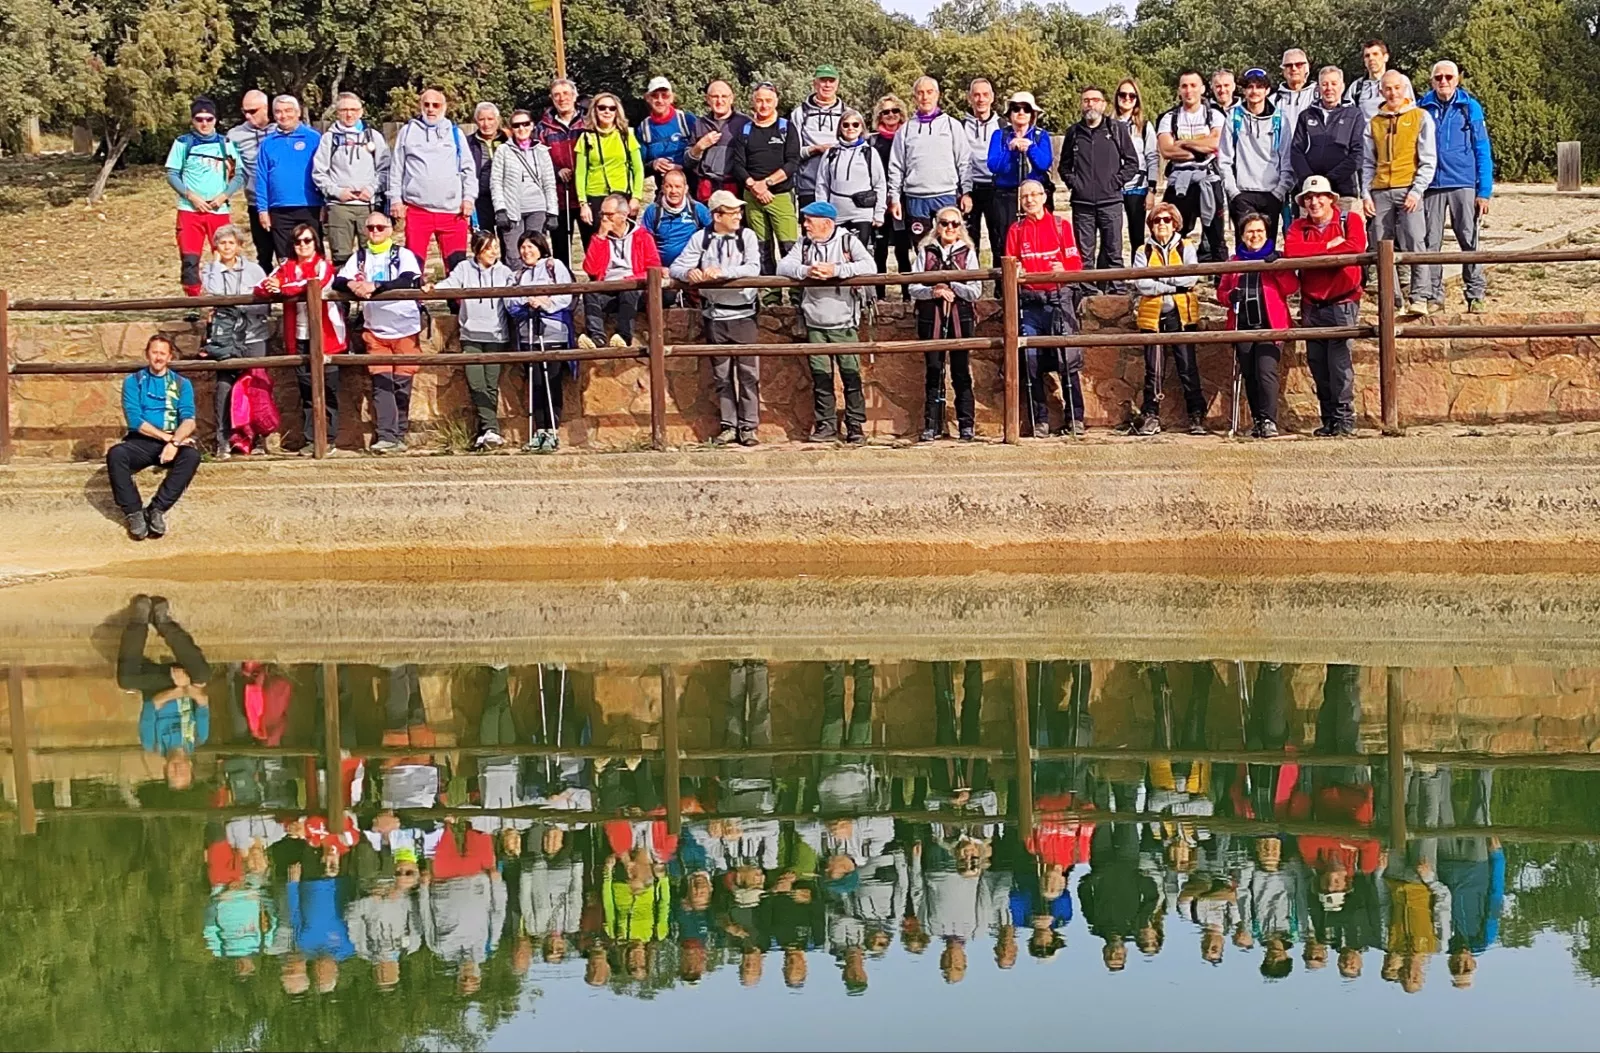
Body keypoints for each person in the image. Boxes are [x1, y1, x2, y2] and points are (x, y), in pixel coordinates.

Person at [777, 200, 877, 443]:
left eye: (809, 221)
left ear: (827, 223)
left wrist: (836, 270)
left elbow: (870, 266)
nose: (805, 225)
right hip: (815, 322)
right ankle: (826, 426)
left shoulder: (847, 241)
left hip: (844, 322)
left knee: (851, 375)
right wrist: (807, 271)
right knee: (821, 377)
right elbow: (783, 266)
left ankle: (855, 426)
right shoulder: (804, 244)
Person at [670, 190, 764, 445]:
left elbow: (753, 268)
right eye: (732, 212)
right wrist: (691, 273)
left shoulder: (748, 236)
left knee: (748, 374)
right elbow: (677, 267)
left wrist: (721, 273)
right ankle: (729, 425)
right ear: (716, 215)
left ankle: (749, 427)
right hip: (714, 315)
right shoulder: (700, 239)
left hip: (744, 315)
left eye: (738, 211)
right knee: (722, 375)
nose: (738, 216)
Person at [333, 211, 424, 454]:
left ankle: (400, 434)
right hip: (376, 330)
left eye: (380, 228)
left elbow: (409, 280)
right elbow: (338, 280)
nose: (374, 232)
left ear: (390, 230)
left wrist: (377, 286)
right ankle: (386, 436)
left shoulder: (403, 255)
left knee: (401, 385)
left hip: (405, 327)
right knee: (381, 384)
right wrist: (352, 284)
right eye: (370, 228)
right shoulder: (360, 257)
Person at [1285, 174, 1367, 435]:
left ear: (1331, 199)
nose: (1314, 201)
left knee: (1340, 364)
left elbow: (1355, 248)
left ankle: (1344, 420)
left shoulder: (1349, 220)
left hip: (1342, 301)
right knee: (1318, 364)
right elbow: (1291, 251)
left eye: (1319, 196)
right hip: (1312, 303)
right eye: (1309, 197)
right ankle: (1328, 419)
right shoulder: (1298, 226)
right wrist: (1330, 247)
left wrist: (1316, 250)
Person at [257, 224, 348, 452]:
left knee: (328, 390)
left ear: (315, 242)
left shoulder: (323, 266)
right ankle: (310, 439)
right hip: (298, 336)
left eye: (307, 240)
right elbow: (261, 287)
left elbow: (312, 285)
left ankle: (329, 438)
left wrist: (282, 287)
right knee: (306, 390)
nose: (303, 245)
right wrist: (274, 287)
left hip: (327, 337)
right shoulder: (286, 267)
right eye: (298, 242)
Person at [1005, 179, 1085, 437]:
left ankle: (1075, 418)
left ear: (1044, 196)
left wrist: (1065, 269)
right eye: (1024, 196)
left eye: (1034, 195)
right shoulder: (1015, 230)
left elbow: (1076, 263)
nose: (1029, 200)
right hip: (1030, 303)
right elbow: (1009, 266)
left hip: (1058, 299)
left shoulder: (1062, 226)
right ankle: (1040, 419)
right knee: (1029, 360)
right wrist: (1017, 272)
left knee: (1067, 358)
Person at [1417, 60, 1494, 314]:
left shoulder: (1469, 107)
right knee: (1431, 244)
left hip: (1463, 183)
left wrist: (1484, 191)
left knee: (1469, 240)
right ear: (1431, 81)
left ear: (1457, 79)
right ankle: (1434, 296)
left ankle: (1475, 294)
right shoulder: (1421, 107)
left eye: (1448, 77)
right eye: (1438, 77)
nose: (1443, 82)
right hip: (1432, 186)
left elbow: (1482, 149)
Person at [429, 228, 516, 449]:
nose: (493, 252)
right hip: (470, 335)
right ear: (478, 250)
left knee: (490, 384)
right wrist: (433, 288)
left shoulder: (504, 272)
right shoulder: (464, 268)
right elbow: (450, 283)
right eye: (489, 247)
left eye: (496, 247)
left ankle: (490, 430)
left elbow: (515, 292)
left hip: (496, 336)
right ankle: (489, 429)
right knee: (476, 382)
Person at [108, 336, 202, 540]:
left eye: (162, 353)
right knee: (116, 454)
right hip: (141, 440)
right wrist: (167, 439)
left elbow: (189, 420)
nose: (158, 357)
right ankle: (133, 512)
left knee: (192, 457)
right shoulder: (133, 381)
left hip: (173, 442)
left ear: (169, 357)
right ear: (147, 354)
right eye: (154, 352)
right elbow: (135, 420)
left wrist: (175, 442)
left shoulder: (181, 383)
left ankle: (157, 509)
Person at [1363, 69, 1437, 316]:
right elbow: (1367, 162)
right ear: (1381, 91)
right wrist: (1366, 193)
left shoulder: (1420, 117)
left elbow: (1428, 159)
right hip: (1381, 189)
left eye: (1397, 87)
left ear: (1405, 89)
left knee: (1416, 241)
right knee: (1381, 245)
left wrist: (1417, 190)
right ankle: (1393, 301)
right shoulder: (1374, 123)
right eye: (1387, 88)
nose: (1392, 92)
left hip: (1408, 188)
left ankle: (1420, 297)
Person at [1217, 213, 1297, 437]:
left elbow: (1291, 287)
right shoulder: (1234, 262)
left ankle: (1270, 419)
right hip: (1242, 326)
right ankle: (1258, 420)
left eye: (1259, 231)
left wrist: (1277, 267)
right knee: (1250, 374)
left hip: (1270, 325)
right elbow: (1221, 292)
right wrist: (1229, 296)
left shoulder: (1276, 258)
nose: (1255, 235)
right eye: (1250, 231)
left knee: (1266, 371)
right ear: (1242, 235)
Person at [120, 595, 210, 786]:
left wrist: (180, 688)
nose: (177, 768)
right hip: (184, 684)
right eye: (182, 772)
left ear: (165, 770)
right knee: (202, 677)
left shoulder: (151, 742)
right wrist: (186, 685)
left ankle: (139, 620)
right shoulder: (199, 736)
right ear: (191, 767)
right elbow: (202, 702)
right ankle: (163, 622)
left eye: (173, 773)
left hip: (157, 685)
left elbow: (153, 704)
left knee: (126, 681)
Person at [197, 225, 272, 457]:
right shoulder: (211, 270)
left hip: (253, 334)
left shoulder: (254, 270)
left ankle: (259, 439)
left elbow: (265, 303)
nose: (227, 247)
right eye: (222, 243)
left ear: (239, 245)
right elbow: (214, 294)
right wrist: (216, 265)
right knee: (224, 385)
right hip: (225, 338)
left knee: (257, 385)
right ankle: (224, 440)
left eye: (231, 243)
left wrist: (238, 308)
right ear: (216, 247)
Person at [1131, 202, 1205, 436]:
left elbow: (1190, 278)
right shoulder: (1143, 251)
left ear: (1175, 223)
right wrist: (1173, 282)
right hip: (1153, 316)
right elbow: (1142, 283)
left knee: (1187, 366)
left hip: (1180, 315)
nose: (1161, 224)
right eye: (1156, 220)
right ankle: (1151, 415)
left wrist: (1159, 283)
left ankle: (1196, 415)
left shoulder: (1186, 247)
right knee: (1153, 369)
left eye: (1166, 220)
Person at [910, 205, 982, 441]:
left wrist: (952, 285)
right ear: (937, 226)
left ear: (961, 227)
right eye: (944, 223)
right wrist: (934, 290)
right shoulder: (926, 251)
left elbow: (975, 291)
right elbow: (913, 287)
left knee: (961, 371)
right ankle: (931, 425)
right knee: (933, 370)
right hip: (932, 318)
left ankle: (966, 425)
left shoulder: (968, 253)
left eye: (954, 224)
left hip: (961, 317)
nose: (949, 228)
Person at [390, 88, 479, 273]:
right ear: (420, 106)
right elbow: (397, 168)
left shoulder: (455, 133)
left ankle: (456, 302)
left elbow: (468, 169)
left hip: (453, 211)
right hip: (417, 209)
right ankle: (415, 301)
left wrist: (469, 198)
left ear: (444, 107)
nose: (431, 109)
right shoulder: (407, 132)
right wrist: (395, 199)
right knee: (413, 265)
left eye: (436, 105)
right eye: (426, 104)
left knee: (457, 266)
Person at [506, 231, 577, 452]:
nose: (527, 251)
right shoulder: (518, 275)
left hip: (553, 333)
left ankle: (552, 431)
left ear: (540, 246)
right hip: (529, 334)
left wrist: (545, 303)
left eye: (530, 246)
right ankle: (538, 431)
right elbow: (510, 302)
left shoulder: (553, 266)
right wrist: (526, 303)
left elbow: (566, 295)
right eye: (523, 247)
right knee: (535, 384)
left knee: (551, 383)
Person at [167, 97, 244, 296]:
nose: (204, 123)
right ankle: (193, 301)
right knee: (190, 259)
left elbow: (239, 175)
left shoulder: (225, 144)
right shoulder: (183, 143)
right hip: (190, 211)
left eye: (209, 119)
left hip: (218, 211)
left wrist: (223, 196)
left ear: (215, 120)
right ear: (192, 120)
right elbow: (172, 174)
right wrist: (190, 196)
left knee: (225, 255)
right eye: (199, 119)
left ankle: (225, 298)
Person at [1061, 84, 1139, 273]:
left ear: (1103, 105)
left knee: (1114, 253)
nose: (1091, 105)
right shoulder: (1073, 132)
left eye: (1095, 100)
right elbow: (1064, 166)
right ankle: (1086, 295)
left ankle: (1115, 294)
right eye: (1086, 100)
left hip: (1110, 203)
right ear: (1081, 104)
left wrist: (1115, 183)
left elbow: (1132, 163)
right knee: (1084, 256)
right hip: (1082, 205)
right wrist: (1076, 184)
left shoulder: (1116, 129)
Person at [888, 77, 972, 247]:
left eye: (929, 92)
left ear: (937, 95)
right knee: (922, 248)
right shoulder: (905, 130)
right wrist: (895, 198)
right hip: (916, 197)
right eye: (920, 93)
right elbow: (896, 166)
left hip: (946, 195)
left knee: (951, 244)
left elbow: (964, 161)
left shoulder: (952, 125)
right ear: (914, 98)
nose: (925, 97)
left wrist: (967, 192)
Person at [312, 92, 391, 266]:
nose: (349, 114)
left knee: (373, 255)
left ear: (361, 112)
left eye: (354, 109)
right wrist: (337, 192)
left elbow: (385, 170)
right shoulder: (329, 139)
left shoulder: (373, 136)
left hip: (368, 206)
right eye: (344, 110)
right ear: (337, 112)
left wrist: (371, 189)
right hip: (339, 207)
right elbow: (319, 173)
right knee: (341, 259)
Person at [733, 82, 801, 278]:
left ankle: (796, 296)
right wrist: (754, 187)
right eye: (760, 101)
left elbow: (792, 162)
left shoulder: (786, 128)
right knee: (761, 248)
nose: (764, 105)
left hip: (780, 196)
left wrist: (767, 184)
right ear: (753, 102)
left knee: (789, 246)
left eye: (768, 101)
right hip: (752, 196)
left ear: (776, 102)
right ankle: (770, 296)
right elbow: (738, 165)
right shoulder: (745, 131)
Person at [1219, 69, 1293, 248]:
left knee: (1267, 248)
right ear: (1243, 90)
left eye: (1259, 87)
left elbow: (1287, 159)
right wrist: (1233, 192)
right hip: (1242, 193)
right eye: (1249, 87)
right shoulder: (1234, 117)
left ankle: (1264, 278)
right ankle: (1244, 277)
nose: (1254, 91)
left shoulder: (1280, 119)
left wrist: (1280, 192)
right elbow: (1225, 159)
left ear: (1267, 90)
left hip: (1271, 193)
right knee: (1245, 248)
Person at [1157, 70, 1226, 262]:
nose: (1189, 90)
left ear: (1203, 89)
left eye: (1193, 85)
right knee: (1175, 234)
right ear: (1179, 90)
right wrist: (1200, 147)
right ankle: (1175, 279)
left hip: (1208, 179)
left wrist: (1183, 143)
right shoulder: (1169, 117)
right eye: (1184, 86)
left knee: (1216, 236)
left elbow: (1215, 144)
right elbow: (1166, 150)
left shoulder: (1214, 115)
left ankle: (1223, 284)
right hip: (1179, 182)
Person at [579, 192, 661, 349]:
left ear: (623, 215)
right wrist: (600, 238)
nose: (604, 219)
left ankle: (624, 336)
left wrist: (630, 279)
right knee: (590, 292)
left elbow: (653, 267)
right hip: (608, 287)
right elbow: (591, 269)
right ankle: (596, 337)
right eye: (602, 213)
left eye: (609, 214)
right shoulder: (599, 237)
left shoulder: (642, 237)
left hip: (634, 288)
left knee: (628, 292)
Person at [256, 95, 323, 265]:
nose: (283, 115)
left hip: (310, 206)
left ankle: (315, 290)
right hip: (279, 209)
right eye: (278, 112)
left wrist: (325, 203)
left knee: (313, 255)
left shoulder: (314, 138)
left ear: (298, 112)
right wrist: (263, 209)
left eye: (288, 111)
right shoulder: (267, 143)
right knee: (286, 258)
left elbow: (324, 172)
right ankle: (291, 289)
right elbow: (262, 177)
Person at [575, 92, 645, 246]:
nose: (607, 111)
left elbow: (638, 169)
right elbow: (580, 173)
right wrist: (583, 204)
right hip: (596, 196)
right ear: (595, 111)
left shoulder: (627, 135)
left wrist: (636, 197)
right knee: (597, 243)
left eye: (612, 108)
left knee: (623, 242)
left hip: (622, 195)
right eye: (602, 108)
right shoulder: (586, 138)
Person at [987, 91, 1054, 253]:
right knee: (1004, 243)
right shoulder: (999, 135)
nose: (1021, 113)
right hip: (1006, 196)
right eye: (1016, 108)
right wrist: (1010, 150)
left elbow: (1044, 164)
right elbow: (993, 165)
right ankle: (1005, 278)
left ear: (1032, 114)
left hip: (1035, 197)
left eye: (1026, 109)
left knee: (1038, 240)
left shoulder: (1041, 136)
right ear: (1010, 113)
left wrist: (1030, 147)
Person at [1292, 66, 1364, 211]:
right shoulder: (1306, 116)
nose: (1329, 88)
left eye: (1333, 84)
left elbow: (1357, 154)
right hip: (1311, 194)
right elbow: (1296, 151)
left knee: (1345, 233)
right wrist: (1312, 181)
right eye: (1324, 84)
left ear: (1342, 86)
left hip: (1344, 192)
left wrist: (1329, 180)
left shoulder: (1354, 115)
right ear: (1318, 88)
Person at [491, 108, 558, 262]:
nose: (521, 128)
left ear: (532, 125)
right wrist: (500, 209)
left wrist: (552, 212)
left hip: (537, 208)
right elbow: (496, 182)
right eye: (516, 125)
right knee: (514, 255)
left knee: (535, 253)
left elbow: (549, 183)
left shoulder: (542, 150)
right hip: (512, 210)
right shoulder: (503, 151)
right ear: (511, 128)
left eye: (525, 124)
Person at [815, 109, 886, 255]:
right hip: (837, 214)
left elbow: (880, 184)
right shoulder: (831, 153)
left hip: (862, 213)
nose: (850, 128)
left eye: (855, 124)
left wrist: (879, 213)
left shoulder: (870, 153)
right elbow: (822, 184)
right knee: (838, 254)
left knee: (859, 253)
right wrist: (822, 212)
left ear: (861, 128)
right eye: (846, 125)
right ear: (840, 128)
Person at [536, 78, 586, 267]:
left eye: (566, 93)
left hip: (584, 196)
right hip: (558, 197)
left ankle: (597, 293)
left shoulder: (587, 122)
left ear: (574, 96)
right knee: (560, 250)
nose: (562, 98)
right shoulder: (542, 128)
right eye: (557, 95)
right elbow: (539, 159)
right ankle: (565, 290)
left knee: (592, 245)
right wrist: (557, 171)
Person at [227, 90, 275, 267]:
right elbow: (230, 168)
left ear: (266, 108)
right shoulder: (235, 136)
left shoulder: (280, 129)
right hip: (256, 202)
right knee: (264, 254)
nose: (248, 116)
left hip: (282, 202)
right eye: (244, 112)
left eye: (252, 111)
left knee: (287, 252)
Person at [870, 96, 913, 289]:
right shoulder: (871, 142)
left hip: (902, 200)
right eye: (886, 112)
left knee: (902, 249)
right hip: (879, 200)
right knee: (880, 249)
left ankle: (906, 293)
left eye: (895, 111)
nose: (891, 115)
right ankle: (879, 294)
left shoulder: (908, 138)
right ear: (879, 116)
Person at [1114, 79, 1159, 263]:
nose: (1127, 99)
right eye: (1122, 95)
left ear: (1137, 99)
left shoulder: (1144, 126)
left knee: (1136, 234)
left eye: (1131, 96)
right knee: (1113, 234)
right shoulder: (1108, 124)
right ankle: (1112, 274)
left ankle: (1138, 271)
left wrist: (1151, 189)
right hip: (1114, 185)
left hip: (1137, 186)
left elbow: (1152, 157)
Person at [793, 65, 847, 209]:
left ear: (837, 84)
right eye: (823, 80)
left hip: (840, 186)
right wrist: (815, 149)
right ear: (815, 83)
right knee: (811, 228)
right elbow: (793, 152)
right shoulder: (799, 114)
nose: (827, 85)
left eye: (831, 81)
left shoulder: (848, 114)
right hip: (809, 185)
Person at [640, 168, 712, 272]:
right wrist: (656, 267)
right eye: (669, 186)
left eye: (678, 187)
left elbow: (714, 234)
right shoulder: (653, 211)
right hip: (662, 270)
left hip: (690, 269)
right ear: (663, 188)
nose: (673, 191)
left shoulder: (698, 209)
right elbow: (645, 242)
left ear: (685, 189)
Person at [962, 78, 1002, 260]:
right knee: (969, 241)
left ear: (992, 98)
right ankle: (972, 286)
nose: (981, 99)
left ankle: (1002, 288)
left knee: (999, 240)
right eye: (976, 95)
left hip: (996, 189)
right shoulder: (960, 127)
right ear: (970, 98)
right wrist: (964, 191)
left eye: (985, 94)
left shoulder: (1003, 126)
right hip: (971, 190)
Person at [686, 79, 745, 204]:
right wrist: (699, 146)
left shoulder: (745, 123)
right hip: (706, 189)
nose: (719, 101)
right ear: (707, 99)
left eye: (724, 96)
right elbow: (687, 163)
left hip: (735, 189)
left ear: (731, 98)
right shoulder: (699, 124)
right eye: (714, 96)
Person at [639, 76, 701, 192]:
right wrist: (653, 164)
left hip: (691, 187)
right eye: (655, 96)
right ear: (647, 98)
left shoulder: (686, 120)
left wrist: (682, 166)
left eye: (665, 95)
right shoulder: (644, 127)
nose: (660, 100)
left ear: (672, 98)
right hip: (664, 188)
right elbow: (640, 165)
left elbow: (702, 154)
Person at [468, 102, 508, 233]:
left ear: (497, 120)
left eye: (490, 119)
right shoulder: (468, 143)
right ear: (476, 121)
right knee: (484, 241)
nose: (486, 124)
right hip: (480, 199)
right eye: (481, 119)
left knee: (509, 241)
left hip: (506, 198)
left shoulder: (507, 140)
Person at [1346, 39, 1406, 121]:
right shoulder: (1356, 87)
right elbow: (1347, 116)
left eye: (1375, 54)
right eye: (1367, 56)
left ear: (1386, 57)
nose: (1371, 58)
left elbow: (1411, 111)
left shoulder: (1400, 80)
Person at [1272, 49, 1316, 135]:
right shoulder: (1273, 100)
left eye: (1298, 65)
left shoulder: (1319, 96)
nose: (1294, 68)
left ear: (1306, 68)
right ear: (1283, 71)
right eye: (1288, 65)